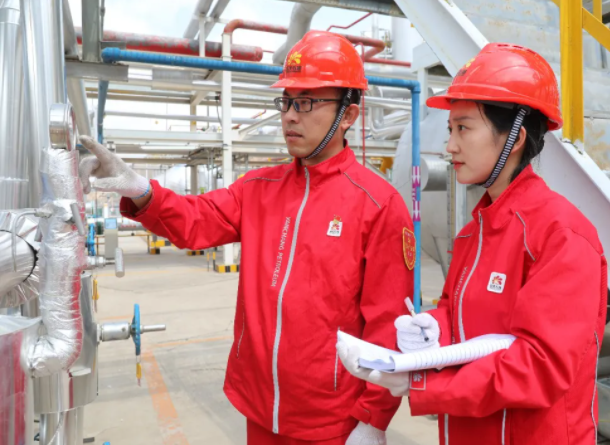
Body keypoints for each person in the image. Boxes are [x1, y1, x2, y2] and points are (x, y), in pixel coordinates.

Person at [79, 31, 414, 445]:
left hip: (330, 418)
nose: (289, 116)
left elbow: (388, 325)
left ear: (348, 115)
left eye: (306, 103)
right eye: (286, 102)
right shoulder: (258, 188)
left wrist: (373, 418)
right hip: (258, 404)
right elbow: (195, 220)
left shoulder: (378, 205)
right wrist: (140, 189)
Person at [338, 43, 608, 445]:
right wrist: (435, 326)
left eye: (463, 128)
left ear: (515, 136)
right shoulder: (474, 232)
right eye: (450, 130)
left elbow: (540, 367)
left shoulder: (560, 234)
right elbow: (461, 313)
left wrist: (422, 383)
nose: (450, 146)